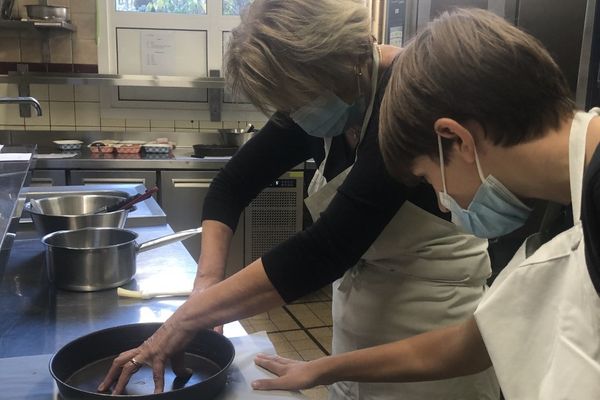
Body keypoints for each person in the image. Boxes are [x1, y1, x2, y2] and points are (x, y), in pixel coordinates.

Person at [97, 2, 500, 398]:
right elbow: (230, 186)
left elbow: (326, 249)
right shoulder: (318, 101)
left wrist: (185, 321)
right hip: (357, 330)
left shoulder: (407, 100)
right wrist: (204, 286)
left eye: (300, 100)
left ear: (347, 60)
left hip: (433, 328)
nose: (295, 113)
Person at [248, 8, 600, 399]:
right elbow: (472, 345)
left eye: (431, 181)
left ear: (458, 139)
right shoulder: (571, 198)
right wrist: (321, 370)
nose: (444, 205)